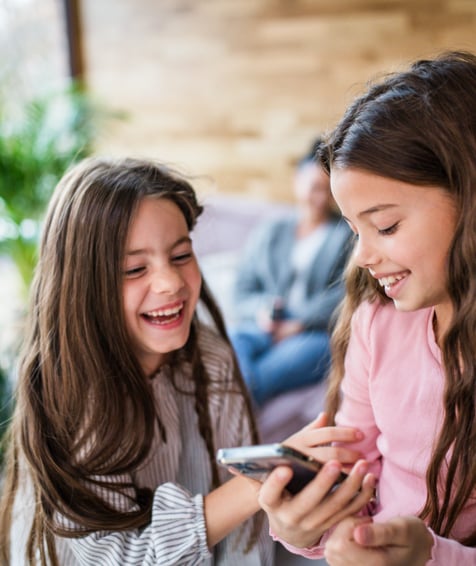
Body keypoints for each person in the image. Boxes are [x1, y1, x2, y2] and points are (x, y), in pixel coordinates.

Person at [0, 156, 367, 566]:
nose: (171, 282)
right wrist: (262, 479)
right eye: (135, 268)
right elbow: (123, 557)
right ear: (81, 285)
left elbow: (245, 542)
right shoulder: (71, 391)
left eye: (180, 256)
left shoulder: (211, 360)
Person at [257, 51, 476, 565]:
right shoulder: (376, 323)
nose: (360, 256)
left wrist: (433, 556)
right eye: (354, 230)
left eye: (386, 226)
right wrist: (307, 523)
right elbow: (359, 486)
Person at [228, 138, 353, 407]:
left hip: (313, 333)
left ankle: (233, 413)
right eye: (314, 188)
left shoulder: (344, 234)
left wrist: (300, 323)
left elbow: (347, 293)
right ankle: (234, 414)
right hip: (264, 326)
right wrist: (262, 311)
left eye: (327, 190)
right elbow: (242, 288)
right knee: (231, 340)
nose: (320, 198)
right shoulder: (270, 231)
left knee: (260, 376)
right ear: (298, 181)